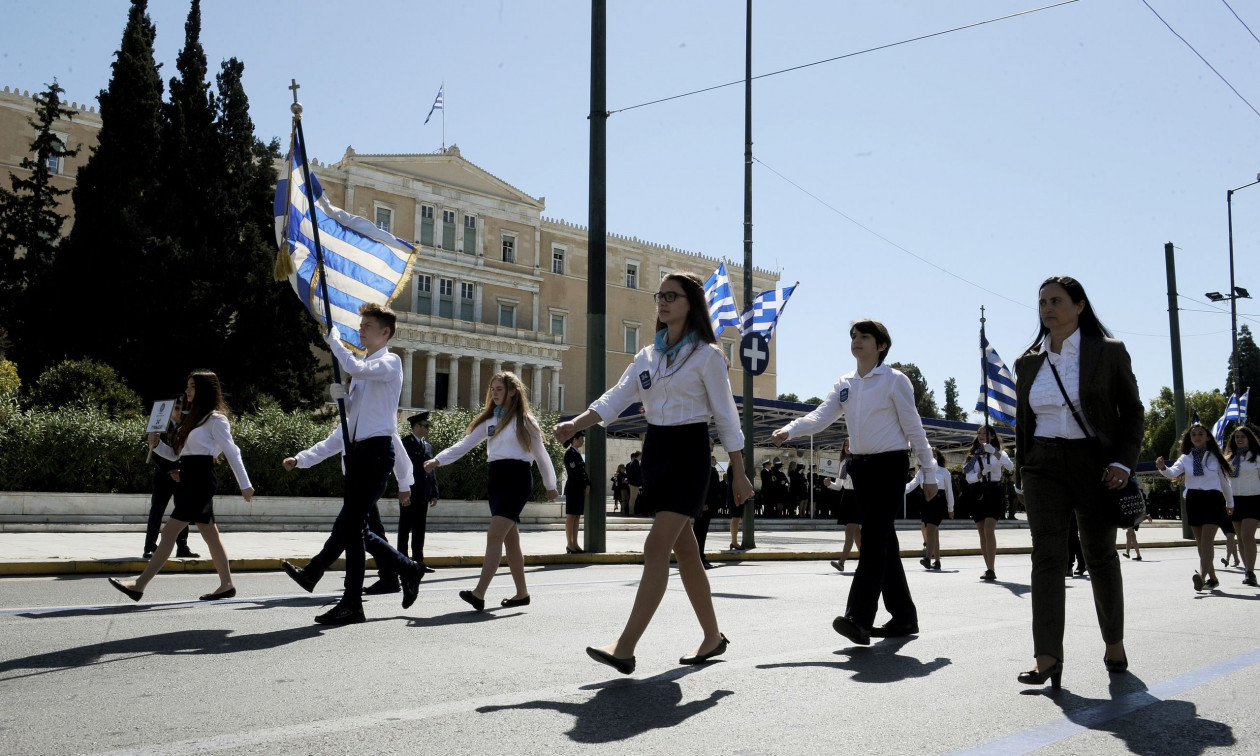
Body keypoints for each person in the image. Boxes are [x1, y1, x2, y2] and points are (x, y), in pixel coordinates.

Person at [555, 271, 753, 675]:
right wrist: (577, 423)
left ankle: (625, 647)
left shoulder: (708, 355)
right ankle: (712, 637)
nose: (662, 302)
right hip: (657, 451)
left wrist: (738, 471)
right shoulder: (647, 356)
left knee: (655, 547)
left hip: (690, 452)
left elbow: (726, 416)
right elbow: (616, 398)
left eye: (671, 296)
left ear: (690, 304)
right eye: (659, 295)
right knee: (686, 552)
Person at [772, 318, 938, 646]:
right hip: (861, 469)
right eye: (853, 337)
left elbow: (914, 428)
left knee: (873, 539)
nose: (856, 341)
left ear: (881, 346)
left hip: (890, 466)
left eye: (864, 337)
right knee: (884, 541)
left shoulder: (895, 381)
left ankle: (858, 619)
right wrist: (790, 430)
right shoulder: (845, 383)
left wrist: (929, 471)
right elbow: (821, 416)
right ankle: (904, 616)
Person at [1014, 275, 1143, 689]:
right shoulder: (1028, 362)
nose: (1047, 308)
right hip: (1043, 466)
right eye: (1042, 302)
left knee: (1100, 556)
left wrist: (1123, 464)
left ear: (1079, 306)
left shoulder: (1108, 353)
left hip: (1096, 466)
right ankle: (1047, 656)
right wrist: (1023, 468)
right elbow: (1023, 422)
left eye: (1056, 300)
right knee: (1047, 559)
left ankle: (1114, 642)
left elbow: (1133, 414)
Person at [279, 303, 423, 625]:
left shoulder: (389, 363)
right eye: (361, 325)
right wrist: (302, 458)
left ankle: (346, 596)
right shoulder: (361, 374)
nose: (361, 330)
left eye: (368, 326)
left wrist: (334, 343)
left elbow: (360, 373)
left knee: (350, 527)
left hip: (375, 455)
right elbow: (342, 434)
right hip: (358, 456)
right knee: (355, 529)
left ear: (385, 332)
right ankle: (404, 570)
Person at [109, 370, 253, 603]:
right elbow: (177, 454)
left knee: (168, 533)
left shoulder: (216, 419)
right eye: (188, 386)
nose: (187, 390)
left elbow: (231, 451)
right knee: (210, 534)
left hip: (200, 480)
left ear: (205, 390)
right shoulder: (194, 418)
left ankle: (139, 584)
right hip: (189, 476)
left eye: (192, 386)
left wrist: (245, 485)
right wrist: (156, 445)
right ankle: (226, 584)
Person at [426, 372, 558, 611]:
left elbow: (541, 454)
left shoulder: (525, 420)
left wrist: (551, 485)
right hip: (496, 478)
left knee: (494, 535)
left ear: (512, 392)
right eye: (492, 389)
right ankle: (522, 593)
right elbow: (464, 445)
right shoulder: (489, 420)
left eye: (499, 389)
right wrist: (437, 460)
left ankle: (479, 592)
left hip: (517, 478)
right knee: (511, 541)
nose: (494, 393)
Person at [1157, 422, 1233, 592]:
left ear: (1207, 437)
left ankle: (1201, 576)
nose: (1197, 437)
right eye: (1194, 435)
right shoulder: (1186, 458)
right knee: (1200, 545)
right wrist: (1162, 467)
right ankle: (1212, 578)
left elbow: (1224, 483)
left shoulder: (1215, 457)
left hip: (1213, 499)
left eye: (1200, 434)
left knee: (1207, 542)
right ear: (1189, 439)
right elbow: (1172, 473)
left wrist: (1230, 503)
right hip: (1193, 500)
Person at [143, 394, 197, 560]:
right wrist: (170, 470)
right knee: (157, 511)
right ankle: (150, 546)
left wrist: (181, 471)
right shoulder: (159, 426)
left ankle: (182, 546)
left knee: (183, 510)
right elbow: (155, 454)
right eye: (177, 408)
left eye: (182, 409)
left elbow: (188, 452)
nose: (179, 412)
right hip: (163, 476)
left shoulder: (187, 427)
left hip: (181, 476)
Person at [962, 426, 1013, 581]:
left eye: (985, 433)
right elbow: (968, 477)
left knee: (989, 530)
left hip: (994, 491)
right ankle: (988, 568)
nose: (981, 436)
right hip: (978, 492)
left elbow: (1010, 466)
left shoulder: (998, 453)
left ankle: (991, 568)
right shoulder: (974, 456)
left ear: (992, 436)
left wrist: (994, 452)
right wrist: (980, 474)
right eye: (979, 433)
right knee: (981, 532)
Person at [400, 412, 439, 573]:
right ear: (416, 426)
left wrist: (434, 492)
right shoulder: (405, 443)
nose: (428, 428)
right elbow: (401, 468)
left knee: (419, 528)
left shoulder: (428, 445)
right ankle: (401, 561)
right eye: (425, 425)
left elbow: (431, 471)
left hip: (423, 493)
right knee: (405, 528)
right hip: (409, 492)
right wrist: (403, 490)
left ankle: (418, 561)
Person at [1225, 425, 1260, 586]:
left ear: (1249, 439)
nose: (1239, 439)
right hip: (1234, 500)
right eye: (1237, 437)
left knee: (1247, 536)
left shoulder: (1257, 457)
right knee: (1240, 538)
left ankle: (1251, 572)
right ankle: (1248, 571)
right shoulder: (1230, 459)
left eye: (1242, 437)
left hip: (1253, 499)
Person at [910, 447, 954, 570]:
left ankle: (928, 559)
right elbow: (913, 484)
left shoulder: (944, 472)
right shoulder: (922, 471)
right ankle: (938, 561)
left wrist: (951, 508)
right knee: (930, 531)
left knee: (930, 530)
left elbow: (948, 491)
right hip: (926, 501)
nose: (932, 457)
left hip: (938, 501)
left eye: (934, 455)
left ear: (938, 457)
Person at [827, 440, 860, 573]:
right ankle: (866, 562)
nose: (847, 448)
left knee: (850, 531)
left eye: (850, 445)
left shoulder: (859, 462)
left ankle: (841, 562)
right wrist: (829, 484)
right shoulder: (842, 463)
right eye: (845, 445)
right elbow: (839, 485)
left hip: (857, 496)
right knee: (857, 534)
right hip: (847, 496)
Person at [563, 430, 590, 554]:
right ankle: (570, 544)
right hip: (573, 488)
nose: (582, 441)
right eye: (581, 438)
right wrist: (584, 484)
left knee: (577, 516)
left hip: (579, 488)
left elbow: (584, 472)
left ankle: (575, 543)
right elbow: (575, 473)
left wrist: (587, 484)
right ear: (574, 439)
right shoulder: (569, 454)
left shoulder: (578, 454)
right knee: (571, 516)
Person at [695, 455, 723, 569]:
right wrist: (703, 502)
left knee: (701, 533)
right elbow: (702, 486)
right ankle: (699, 558)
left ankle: (700, 557)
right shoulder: (704, 467)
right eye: (711, 444)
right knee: (699, 533)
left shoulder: (710, 468)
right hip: (704, 506)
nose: (713, 445)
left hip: (709, 505)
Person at [626, 451, 643, 516]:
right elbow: (632, 474)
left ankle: (631, 511)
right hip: (634, 484)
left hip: (634, 483)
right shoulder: (635, 463)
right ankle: (631, 512)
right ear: (638, 455)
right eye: (641, 455)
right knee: (633, 498)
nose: (642, 457)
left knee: (633, 498)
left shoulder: (635, 463)